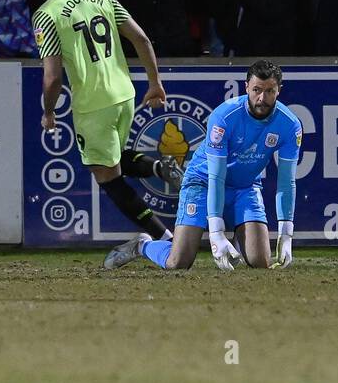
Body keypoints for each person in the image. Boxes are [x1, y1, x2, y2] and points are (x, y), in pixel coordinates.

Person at [32, 0, 183, 260]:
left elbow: (52, 79)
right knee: (111, 157)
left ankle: (166, 240)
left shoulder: (47, 14)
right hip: (124, 94)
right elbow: (141, 39)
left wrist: (48, 112)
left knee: (107, 176)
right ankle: (157, 167)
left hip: (93, 103)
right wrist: (154, 83)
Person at [105, 59, 301, 272]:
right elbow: (216, 177)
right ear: (246, 87)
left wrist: (286, 233)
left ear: (279, 90)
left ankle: (240, 240)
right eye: (256, 90)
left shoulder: (289, 125)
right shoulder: (224, 117)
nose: (262, 98)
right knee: (178, 263)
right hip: (203, 183)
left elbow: (286, 182)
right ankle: (142, 245)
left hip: (244, 188)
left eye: (270, 91)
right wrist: (216, 233)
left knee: (260, 262)